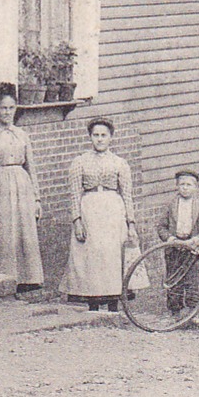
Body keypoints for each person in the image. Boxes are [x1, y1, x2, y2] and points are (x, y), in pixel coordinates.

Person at [0, 82, 43, 293]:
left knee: (23, 231)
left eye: (11, 108)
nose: (7, 112)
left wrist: (37, 199)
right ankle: (0, 278)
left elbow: (31, 167)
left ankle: (26, 278)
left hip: (22, 187)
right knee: (2, 233)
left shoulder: (21, 134)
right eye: (3, 108)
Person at [63, 118, 137, 311]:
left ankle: (113, 304)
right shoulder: (80, 162)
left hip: (113, 212)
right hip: (90, 211)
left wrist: (131, 223)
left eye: (104, 135)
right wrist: (77, 220)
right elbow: (74, 194)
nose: (99, 139)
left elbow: (127, 195)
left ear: (111, 137)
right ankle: (93, 305)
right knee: (91, 257)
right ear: (90, 137)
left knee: (111, 256)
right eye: (95, 135)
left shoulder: (120, 163)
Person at [155, 168, 199, 316]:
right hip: (174, 249)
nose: (185, 188)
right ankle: (175, 314)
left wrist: (197, 239)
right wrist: (170, 239)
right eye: (182, 184)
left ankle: (193, 314)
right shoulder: (171, 206)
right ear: (177, 186)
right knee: (173, 282)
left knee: (192, 282)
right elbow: (161, 227)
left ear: (195, 188)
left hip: (192, 250)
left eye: (189, 185)